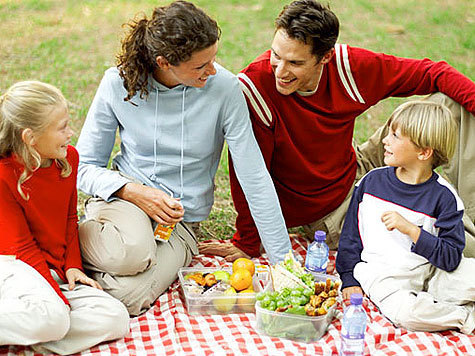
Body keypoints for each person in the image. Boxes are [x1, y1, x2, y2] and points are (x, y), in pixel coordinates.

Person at [198, 0, 475, 262]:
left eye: (295, 63)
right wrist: (247, 241)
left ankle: (470, 212)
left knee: (451, 103)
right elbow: (249, 174)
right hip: (329, 210)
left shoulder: (348, 68)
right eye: (276, 55)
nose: (280, 71)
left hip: (356, 166)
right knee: (451, 244)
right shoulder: (256, 88)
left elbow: (433, 72)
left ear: (325, 57)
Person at [76, 0, 289, 316]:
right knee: (132, 253)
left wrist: (283, 263)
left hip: (180, 223)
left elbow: (254, 175)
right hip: (125, 202)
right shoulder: (117, 83)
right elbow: (83, 166)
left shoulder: (226, 90)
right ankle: (66, 243)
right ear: (164, 62)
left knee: (129, 297)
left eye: (213, 59)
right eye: (201, 66)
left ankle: (81, 270)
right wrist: (132, 191)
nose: (212, 70)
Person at [0, 81, 129, 355]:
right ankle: (43, 321)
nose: (71, 133)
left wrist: (72, 266)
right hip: (14, 266)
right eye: (62, 127)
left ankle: (31, 334)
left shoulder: (67, 159)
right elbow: (20, 247)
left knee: (115, 317)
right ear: (30, 137)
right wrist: (58, 300)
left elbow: (70, 218)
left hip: (52, 269)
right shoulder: (4, 174)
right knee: (54, 316)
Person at [335, 101, 475, 333]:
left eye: (395, 136)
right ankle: (465, 316)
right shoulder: (371, 183)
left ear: (423, 152)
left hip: (433, 273)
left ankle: (442, 302)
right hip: (382, 277)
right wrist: (349, 279)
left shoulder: (444, 197)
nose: (384, 140)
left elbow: (451, 258)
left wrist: (413, 231)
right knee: (408, 315)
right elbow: (350, 239)